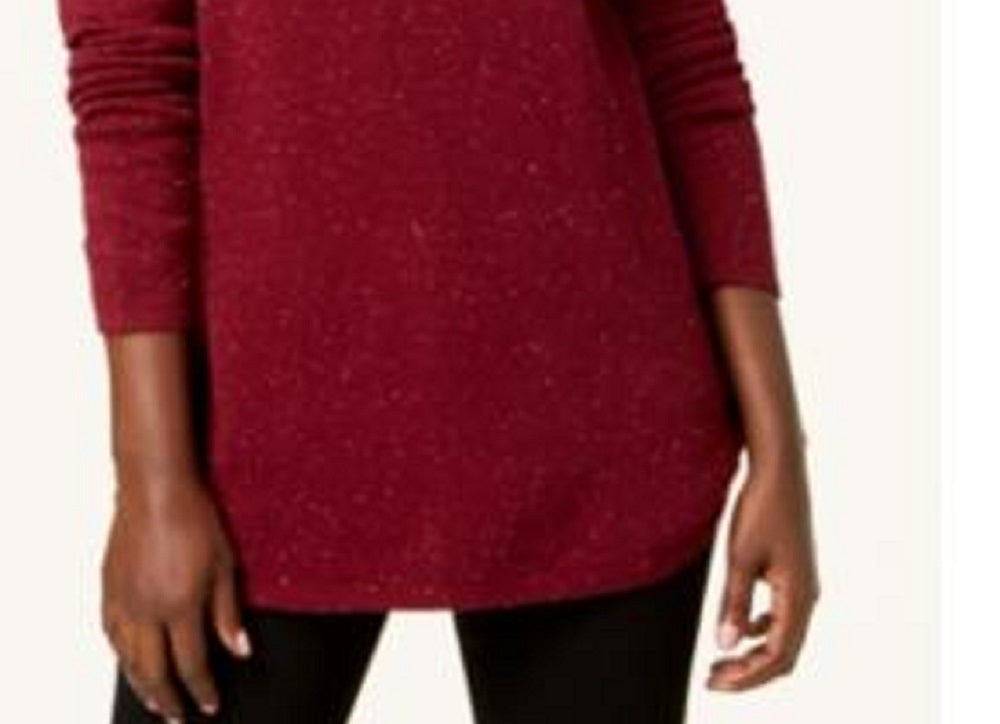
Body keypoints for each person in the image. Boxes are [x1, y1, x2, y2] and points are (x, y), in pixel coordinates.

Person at [55, 0, 820, 721]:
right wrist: (152, 481)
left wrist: (780, 447)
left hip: (602, 429)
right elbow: (131, 84)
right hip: (268, 445)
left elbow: (684, 53)